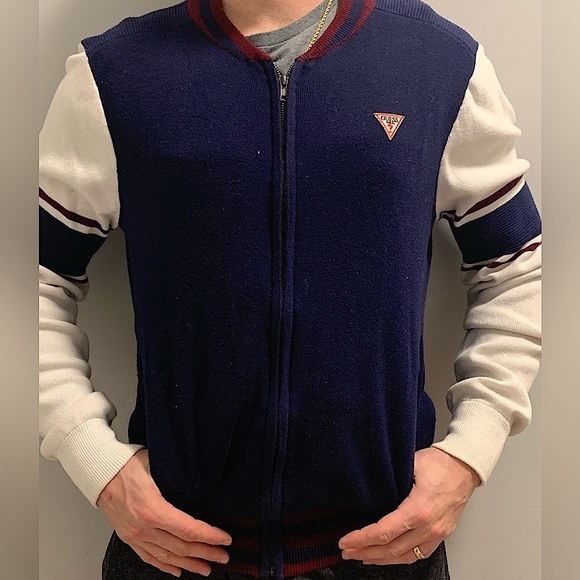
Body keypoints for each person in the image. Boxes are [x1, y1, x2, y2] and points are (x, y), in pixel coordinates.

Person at [38, 1, 542, 579]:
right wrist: (94, 461)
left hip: (383, 549)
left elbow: (516, 264)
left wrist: (469, 454)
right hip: (175, 551)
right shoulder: (113, 76)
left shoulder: (438, 65)